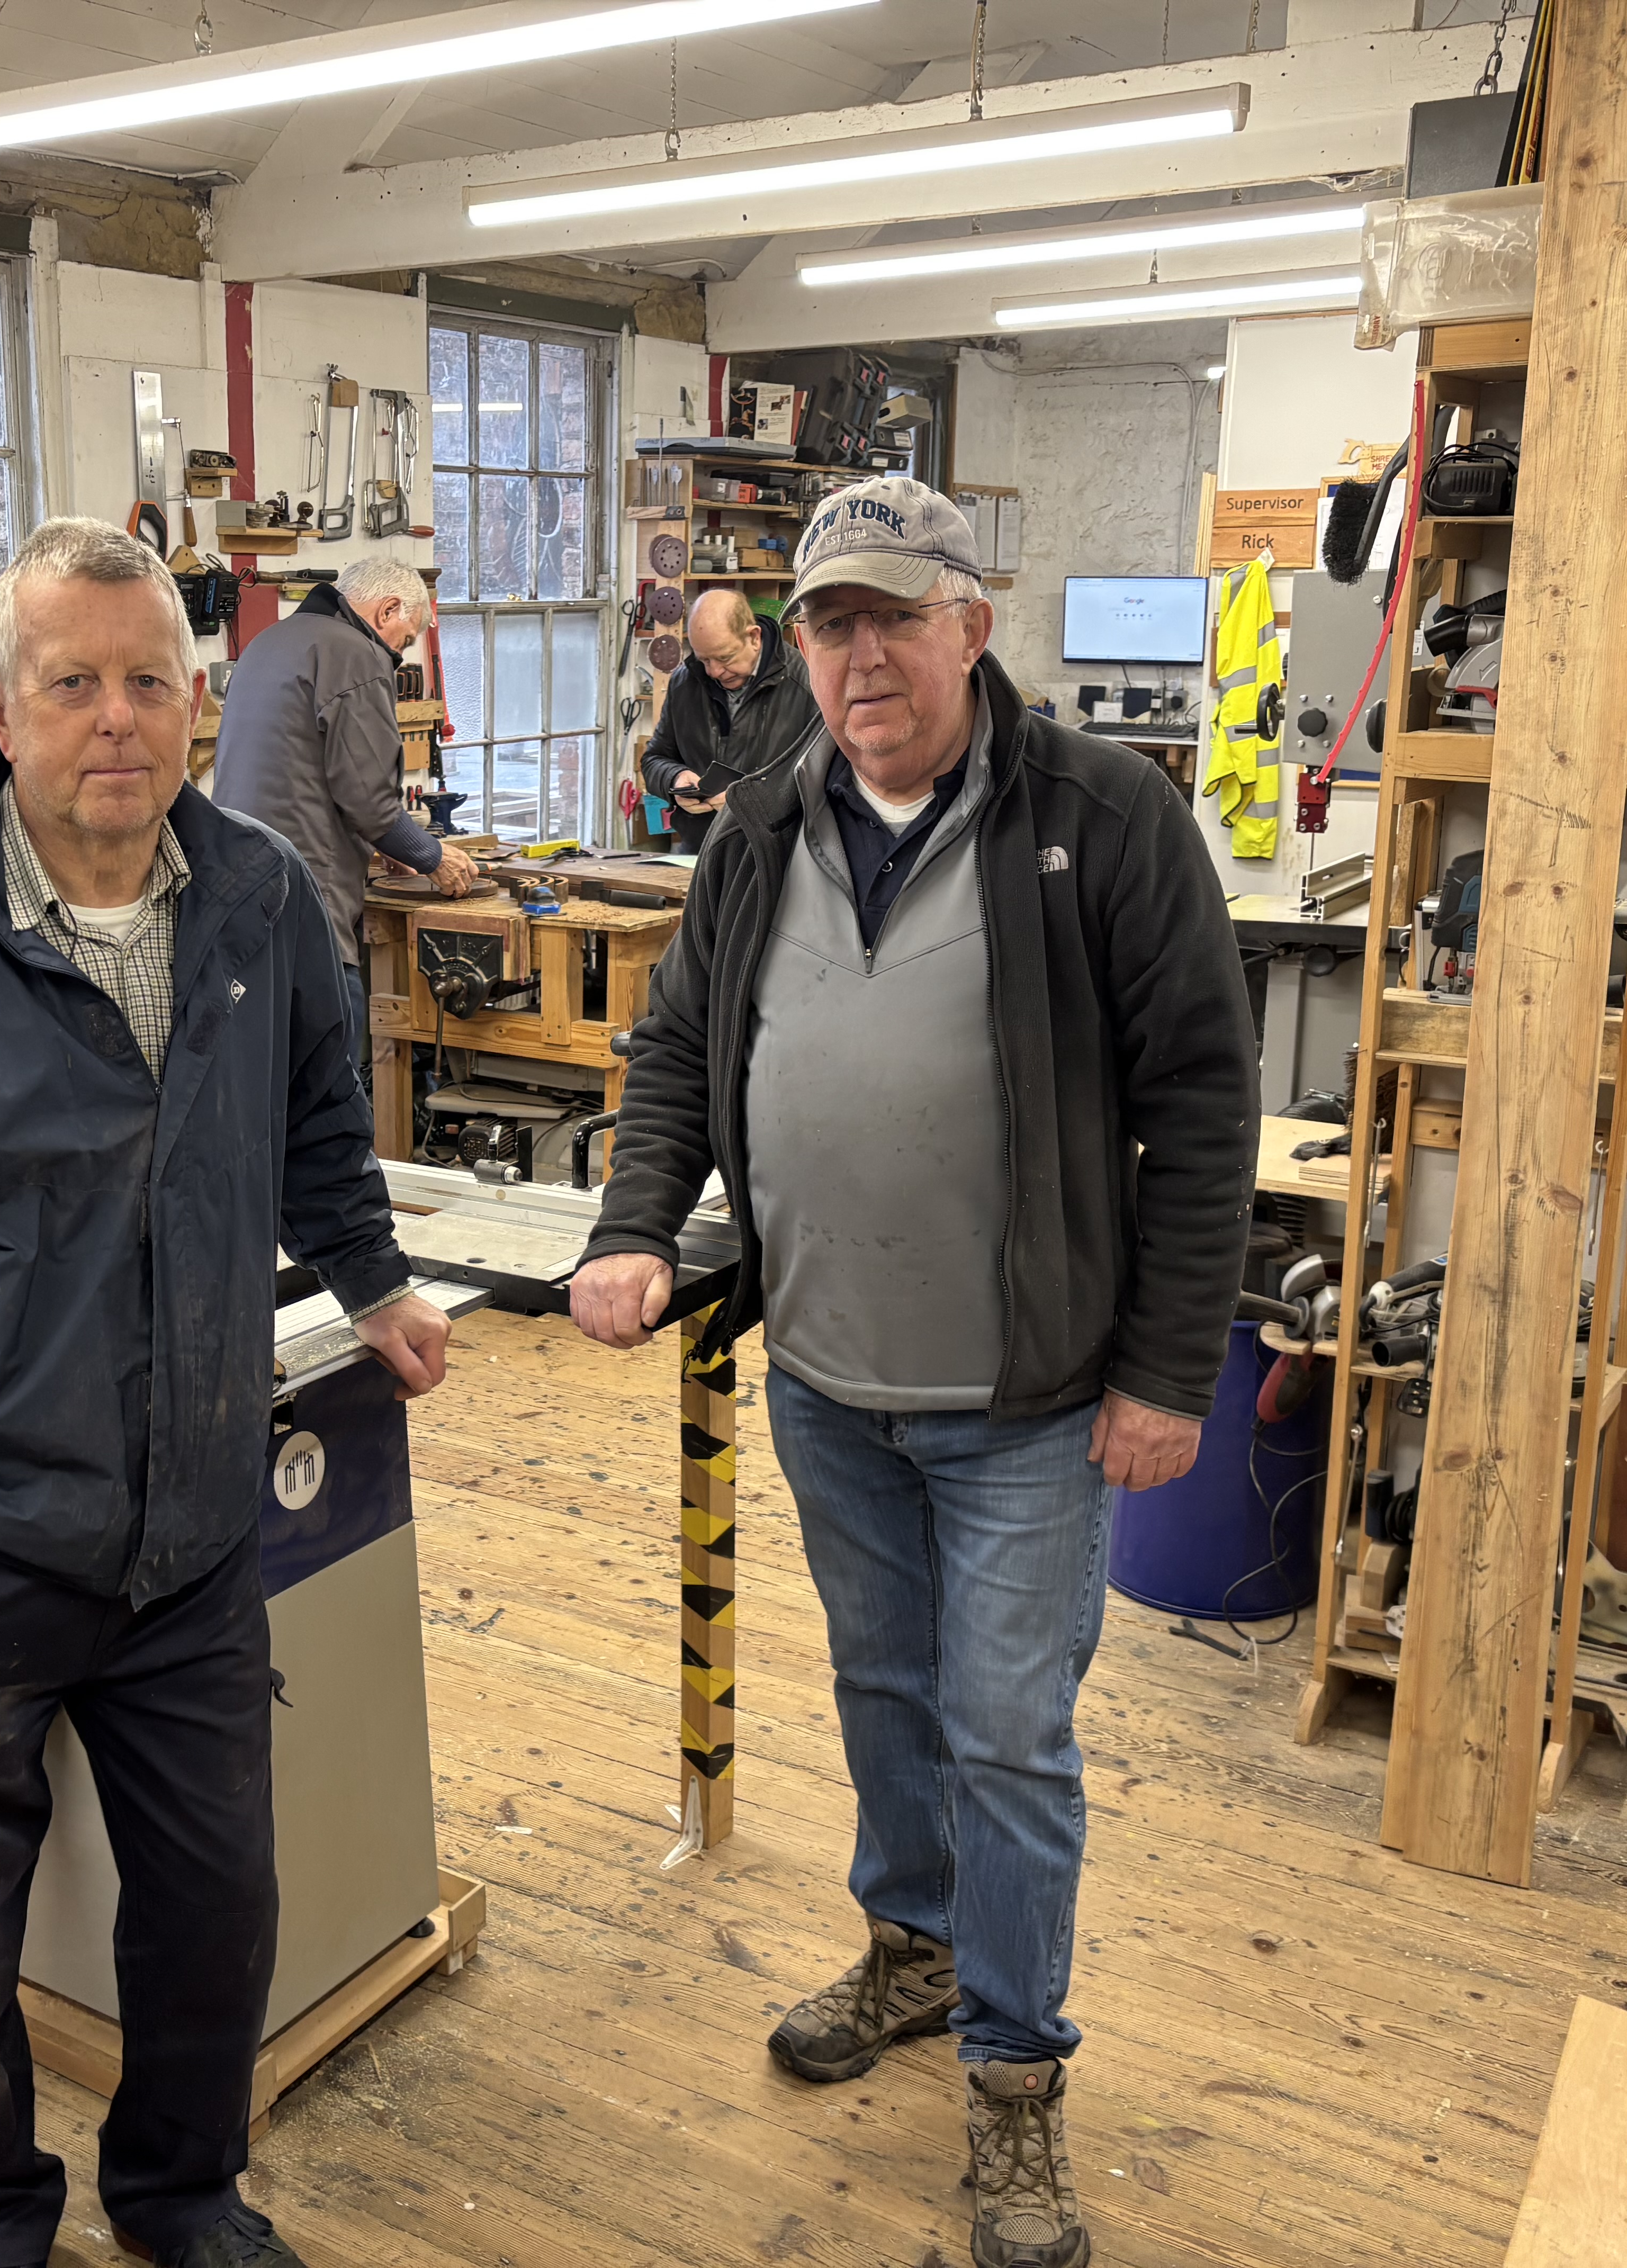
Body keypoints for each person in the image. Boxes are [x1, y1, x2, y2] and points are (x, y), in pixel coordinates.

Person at [0, 518, 453, 2268]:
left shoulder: (261, 899)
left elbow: (317, 1130)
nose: (118, 718)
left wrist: (376, 1281)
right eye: (74, 684)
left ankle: (181, 2193)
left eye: (151, 682)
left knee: (213, 1913)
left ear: (197, 700)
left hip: (190, 1538)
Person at [569, 477, 1255, 2268]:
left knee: (1009, 1736)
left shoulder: (1102, 819)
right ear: (793, 645)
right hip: (827, 1374)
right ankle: (914, 1946)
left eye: (891, 613)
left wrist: (1169, 1367)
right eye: (826, 620)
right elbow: (672, 1048)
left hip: (1032, 1398)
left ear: (973, 619)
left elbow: (1198, 1108)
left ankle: (1018, 2081)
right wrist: (638, 1223)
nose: (859, 652)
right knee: (883, 1689)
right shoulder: (763, 828)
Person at [211, 555, 478, 1065]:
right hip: (309, 900)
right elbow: (370, 800)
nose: (398, 654)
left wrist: (385, 845)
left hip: (240, 888)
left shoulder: (270, 642)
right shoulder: (355, 655)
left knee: (268, 1081)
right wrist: (430, 856)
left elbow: (308, 773)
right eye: (404, 640)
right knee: (333, 1083)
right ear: (388, 610)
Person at [638, 587, 821, 852]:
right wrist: (675, 779)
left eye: (725, 658)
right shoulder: (685, 682)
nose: (714, 672)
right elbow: (654, 759)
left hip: (775, 853)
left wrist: (752, 800)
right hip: (701, 848)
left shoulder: (805, 684)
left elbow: (825, 778)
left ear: (754, 638)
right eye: (705, 660)